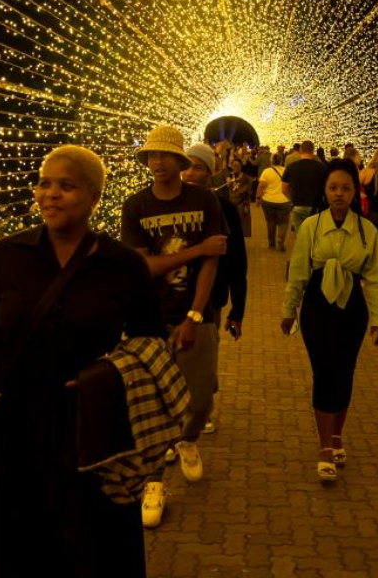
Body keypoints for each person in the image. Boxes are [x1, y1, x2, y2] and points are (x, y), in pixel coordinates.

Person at [0, 145, 165, 577]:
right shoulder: (7, 256)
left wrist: (110, 376)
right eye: (44, 183)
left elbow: (151, 345)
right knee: (14, 548)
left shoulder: (123, 265)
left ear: (94, 197)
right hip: (15, 430)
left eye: (66, 186)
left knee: (94, 548)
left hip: (92, 431)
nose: (50, 194)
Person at [120, 125, 225, 528]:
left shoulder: (204, 200)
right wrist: (197, 249)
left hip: (196, 313)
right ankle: (153, 483)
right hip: (148, 319)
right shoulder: (136, 206)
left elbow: (214, 260)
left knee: (199, 400)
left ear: (181, 162)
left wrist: (194, 315)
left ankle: (187, 439)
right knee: (150, 406)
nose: (157, 162)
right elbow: (143, 266)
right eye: (151, 155)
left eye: (165, 155)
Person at [280, 159, 378, 483]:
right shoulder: (311, 227)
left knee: (345, 372)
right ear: (324, 191)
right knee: (324, 373)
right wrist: (289, 309)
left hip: (352, 307)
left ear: (355, 192)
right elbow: (298, 271)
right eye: (333, 188)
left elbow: (377, 278)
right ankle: (325, 446)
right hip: (317, 306)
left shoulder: (367, 231)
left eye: (345, 188)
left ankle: (338, 434)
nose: (339, 194)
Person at [184, 143, 249, 434]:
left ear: (211, 172)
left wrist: (239, 309)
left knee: (204, 355)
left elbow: (237, 262)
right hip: (172, 298)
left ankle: (201, 408)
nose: (189, 173)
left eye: (197, 167)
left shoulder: (225, 210)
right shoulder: (168, 206)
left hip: (212, 297)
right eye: (186, 166)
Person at [282, 140, 327, 237]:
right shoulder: (322, 168)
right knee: (315, 236)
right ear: (313, 150)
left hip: (297, 206)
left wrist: (292, 200)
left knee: (300, 238)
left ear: (300, 150)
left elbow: (284, 188)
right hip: (315, 207)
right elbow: (327, 188)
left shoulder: (291, 167)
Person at [257, 152, 291, 250]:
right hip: (284, 201)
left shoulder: (266, 171)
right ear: (281, 161)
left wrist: (258, 198)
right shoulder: (286, 171)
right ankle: (280, 238)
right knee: (283, 222)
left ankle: (271, 243)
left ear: (271, 161)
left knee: (270, 222)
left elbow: (261, 186)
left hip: (268, 200)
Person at [225, 158, 254, 238]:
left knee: (242, 228)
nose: (235, 167)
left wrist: (246, 205)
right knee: (231, 227)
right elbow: (227, 191)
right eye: (234, 165)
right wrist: (228, 184)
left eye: (237, 165)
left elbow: (247, 193)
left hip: (241, 204)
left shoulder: (246, 178)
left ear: (241, 166)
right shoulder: (229, 177)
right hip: (231, 204)